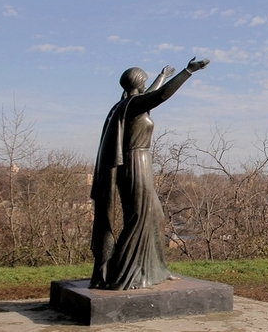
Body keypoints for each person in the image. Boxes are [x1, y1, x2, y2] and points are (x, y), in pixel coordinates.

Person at [89, 57, 209, 290]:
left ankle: (154, 270)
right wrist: (187, 72)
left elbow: (151, 95)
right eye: (145, 81)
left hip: (139, 162)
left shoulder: (125, 105)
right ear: (138, 83)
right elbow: (161, 96)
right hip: (136, 163)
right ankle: (125, 273)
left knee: (155, 217)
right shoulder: (131, 106)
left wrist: (161, 75)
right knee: (139, 218)